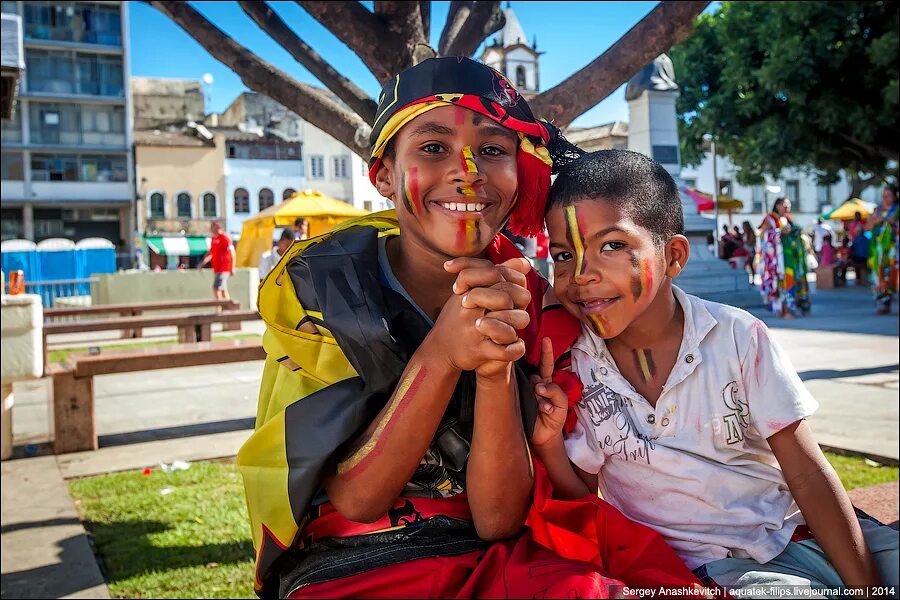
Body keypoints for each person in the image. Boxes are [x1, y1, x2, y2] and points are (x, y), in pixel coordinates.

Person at [236, 57, 703, 599]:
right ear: (384, 174)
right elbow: (357, 501)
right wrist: (442, 353)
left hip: (500, 552)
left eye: (493, 150)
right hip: (352, 560)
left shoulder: (536, 304)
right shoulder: (324, 291)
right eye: (433, 147)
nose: (468, 171)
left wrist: (494, 367)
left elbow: (499, 519)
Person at [530, 149, 899, 596]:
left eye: (612, 245)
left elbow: (806, 473)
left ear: (675, 256)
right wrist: (549, 443)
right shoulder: (580, 366)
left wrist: (864, 586)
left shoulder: (738, 338)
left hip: (797, 531)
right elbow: (584, 498)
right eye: (564, 254)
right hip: (713, 567)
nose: (582, 274)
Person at [758, 198, 810, 318]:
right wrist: (778, 233)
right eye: (785, 205)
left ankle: (790, 308)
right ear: (778, 205)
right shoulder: (770, 219)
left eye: (789, 205)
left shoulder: (786, 219)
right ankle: (784, 310)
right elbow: (762, 235)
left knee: (790, 281)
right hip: (777, 261)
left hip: (789, 257)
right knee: (781, 282)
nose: (788, 208)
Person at [866, 185, 899, 315]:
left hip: (894, 249)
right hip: (880, 250)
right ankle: (886, 303)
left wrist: (886, 220)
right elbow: (867, 228)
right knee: (882, 276)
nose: (885, 198)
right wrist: (874, 221)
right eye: (883, 196)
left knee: (894, 275)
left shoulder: (897, 209)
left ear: (894, 196)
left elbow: (893, 222)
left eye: (888, 195)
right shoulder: (878, 210)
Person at [197, 221, 235, 301]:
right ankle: (230, 310)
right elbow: (211, 253)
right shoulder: (214, 239)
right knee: (223, 289)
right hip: (217, 268)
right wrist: (203, 263)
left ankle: (219, 308)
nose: (210, 229)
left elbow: (232, 253)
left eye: (212, 227)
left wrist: (232, 268)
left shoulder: (225, 238)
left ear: (217, 227)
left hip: (224, 268)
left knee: (216, 288)